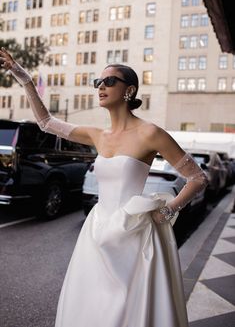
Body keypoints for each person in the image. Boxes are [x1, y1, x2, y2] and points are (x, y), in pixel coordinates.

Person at [0, 47, 208, 327]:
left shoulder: (151, 133)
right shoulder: (98, 135)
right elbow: (46, 122)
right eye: (98, 82)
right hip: (97, 233)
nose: (101, 87)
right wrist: (22, 76)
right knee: (93, 307)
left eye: (109, 81)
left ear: (129, 90)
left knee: (127, 310)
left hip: (134, 235)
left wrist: (169, 210)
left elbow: (197, 178)